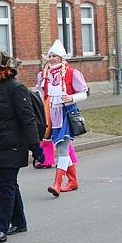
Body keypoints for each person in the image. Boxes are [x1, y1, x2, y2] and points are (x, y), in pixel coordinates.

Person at [0, 48, 43, 242]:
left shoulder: (15, 88)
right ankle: (20, 221)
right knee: (10, 184)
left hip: (13, 145)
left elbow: (28, 119)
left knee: (5, 186)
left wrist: (35, 147)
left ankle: (1, 228)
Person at [38, 40, 89, 197]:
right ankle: (73, 181)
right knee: (62, 148)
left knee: (62, 149)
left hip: (66, 114)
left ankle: (57, 184)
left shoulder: (72, 73)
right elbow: (41, 95)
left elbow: (84, 93)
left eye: (55, 56)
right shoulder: (43, 75)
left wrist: (71, 98)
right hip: (50, 115)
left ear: (61, 58)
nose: (51, 58)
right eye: (50, 56)